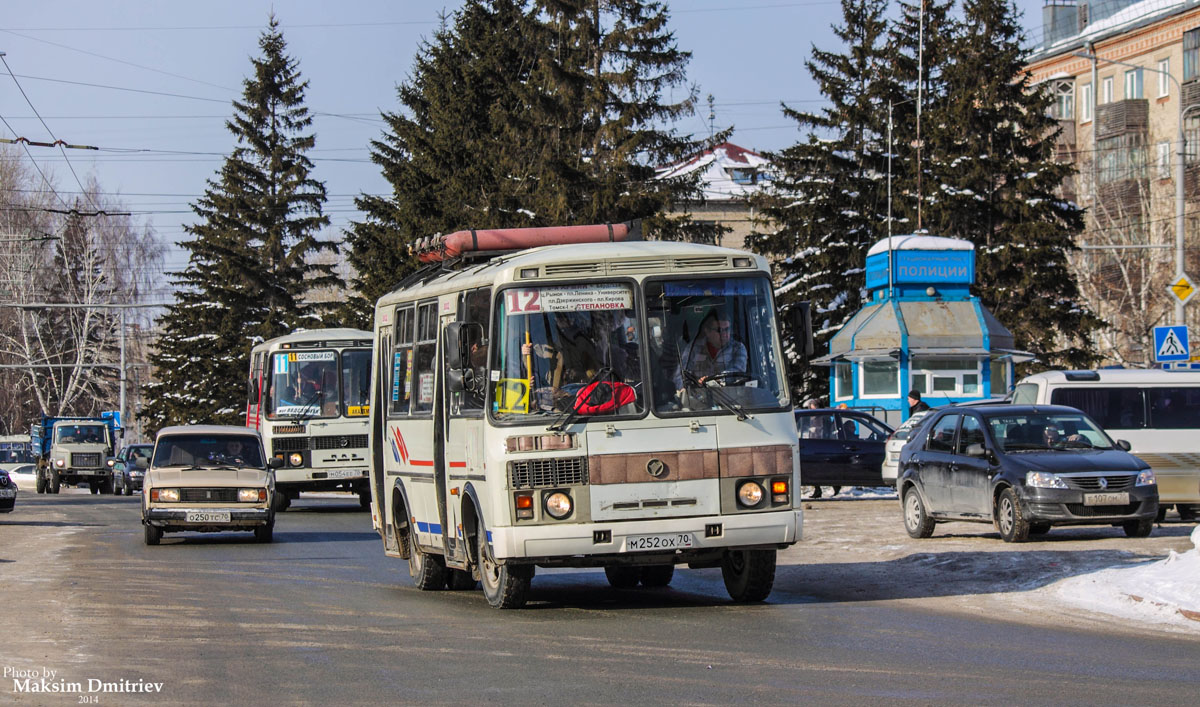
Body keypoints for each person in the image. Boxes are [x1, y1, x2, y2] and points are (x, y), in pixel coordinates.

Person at [674, 310, 748, 391]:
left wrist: (714, 381)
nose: (724, 334)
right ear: (707, 331)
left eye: (727, 329)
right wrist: (685, 389)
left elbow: (736, 373)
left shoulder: (738, 348)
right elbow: (679, 375)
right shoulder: (693, 348)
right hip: (699, 399)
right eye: (719, 330)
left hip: (730, 399)